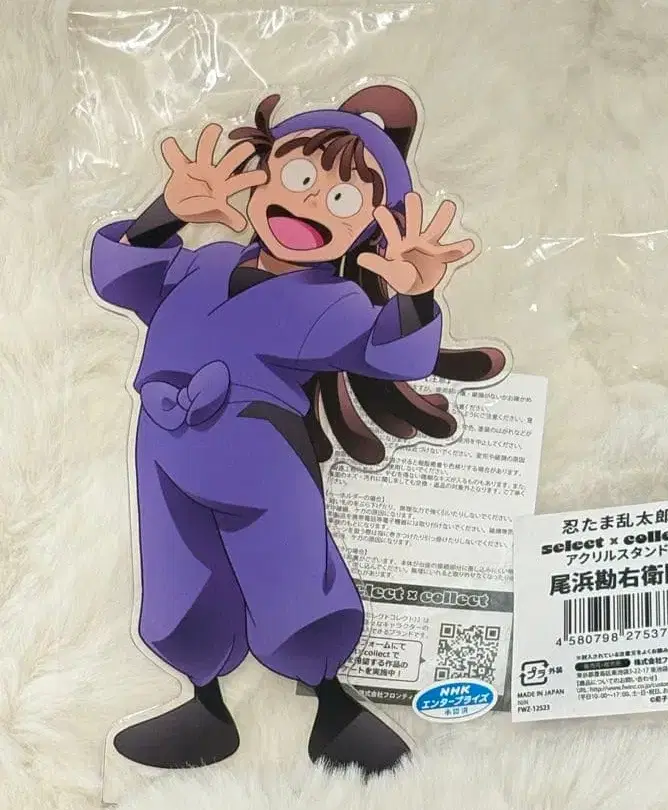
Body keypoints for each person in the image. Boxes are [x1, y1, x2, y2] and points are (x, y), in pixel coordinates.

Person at [89, 85, 505, 777]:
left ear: (368, 229)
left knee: (292, 574)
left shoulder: (332, 301)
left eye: (342, 199)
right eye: (299, 175)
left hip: (262, 458)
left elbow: (391, 354)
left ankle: (332, 705)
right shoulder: (204, 264)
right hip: (164, 450)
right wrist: (167, 212)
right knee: (176, 573)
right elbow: (122, 277)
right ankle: (204, 703)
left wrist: (414, 294)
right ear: (262, 171)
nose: (310, 203)